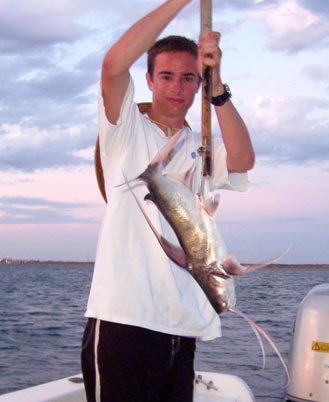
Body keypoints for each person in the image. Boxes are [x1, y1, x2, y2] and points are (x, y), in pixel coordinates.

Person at [81, 1, 255, 401]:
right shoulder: (124, 133)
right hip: (124, 320)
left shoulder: (203, 145)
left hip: (181, 327)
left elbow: (244, 159)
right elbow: (112, 66)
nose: (178, 87)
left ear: (198, 84)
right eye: (167, 76)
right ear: (149, 80)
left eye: (189, 78)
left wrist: (218, 89)